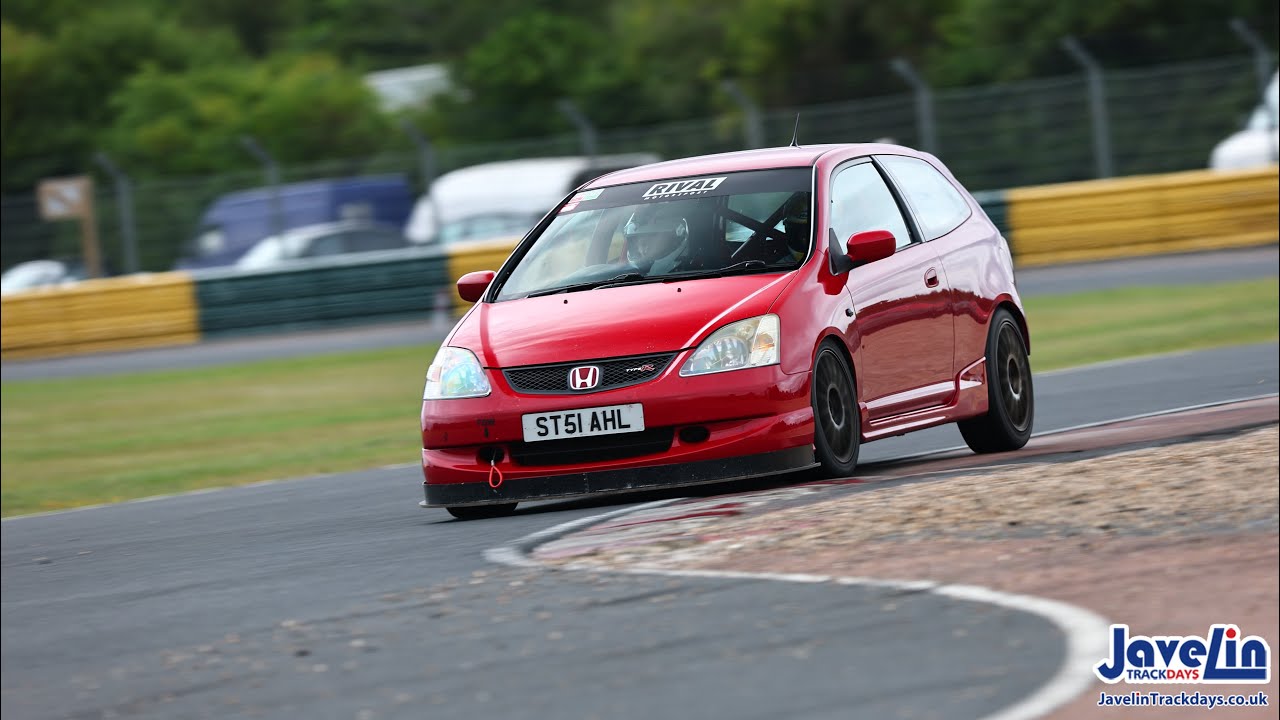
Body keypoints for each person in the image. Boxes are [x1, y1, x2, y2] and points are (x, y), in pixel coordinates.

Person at [623, 209, 691, 275]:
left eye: (646, 242)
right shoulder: (632, 275)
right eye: (641, 244)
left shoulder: (691, 269)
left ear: (671, 236)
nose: (643, 249)